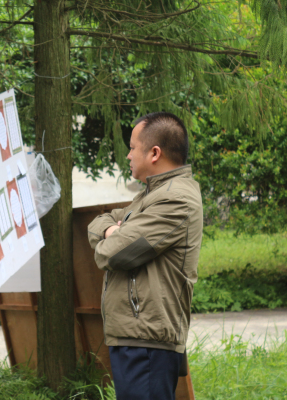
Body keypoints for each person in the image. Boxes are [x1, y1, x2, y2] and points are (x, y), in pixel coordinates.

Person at [87, 112, 203, 400]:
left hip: (147, 341)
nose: (128, 155)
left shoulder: (175, 199)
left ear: (154, 153)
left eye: (132, 147)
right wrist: (113, 229)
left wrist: (113, 236)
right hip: (138, 337)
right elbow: (98, 222)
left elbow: (112, 254)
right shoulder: (150, 195)